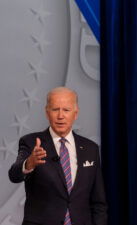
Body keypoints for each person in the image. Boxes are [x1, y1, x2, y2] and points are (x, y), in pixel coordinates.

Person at [9, 87, 107, 225]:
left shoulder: (90, 149)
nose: (60, 116)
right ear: (47, 112)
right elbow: (14, 175)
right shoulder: (31, 143)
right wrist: (29, 163)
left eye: (66, 110)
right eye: (55, 109)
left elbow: (98, 203)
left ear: (76, 113)